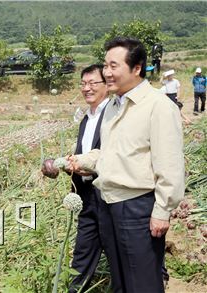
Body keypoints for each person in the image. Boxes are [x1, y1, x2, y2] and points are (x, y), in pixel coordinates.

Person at [69, 37, 184, 292]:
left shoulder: (158, 106)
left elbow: (171, 165)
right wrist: (80, 160)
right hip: (108, 205)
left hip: (138, 208)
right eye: (105, 66)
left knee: (142, 283)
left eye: (113, 66)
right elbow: (109, 153)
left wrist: (162, 210)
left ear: (136, 68)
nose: (107, 73)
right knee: (120, 282)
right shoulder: (113, 106)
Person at [67, 64, 121, 293]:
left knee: (117, 251)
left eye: (93, 83)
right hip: (87, 195)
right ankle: (76, 289)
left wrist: (91, 168)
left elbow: (116, 155)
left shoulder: (114, 115)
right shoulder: (86, 120)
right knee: (83, 250)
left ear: (106, 86)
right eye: (83, 83)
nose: (87, 88)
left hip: (109, 195)